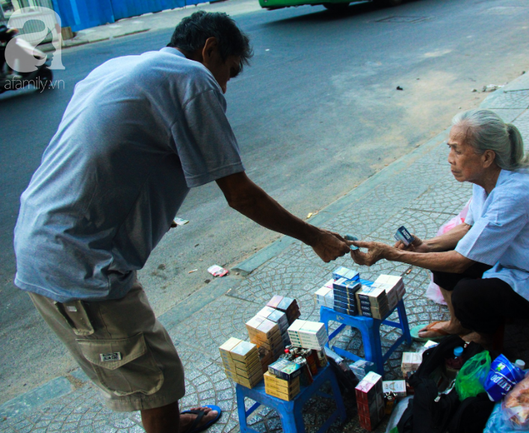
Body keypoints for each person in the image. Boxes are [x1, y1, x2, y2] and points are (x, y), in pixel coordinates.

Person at [13, 12, 348, 433]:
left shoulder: (119, 68)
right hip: (78, 266)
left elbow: (104, 154)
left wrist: (147, 211)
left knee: (149, 362)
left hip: (46, 239)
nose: (224, 86)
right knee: (157, 379)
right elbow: (239, 193)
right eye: (228, 72)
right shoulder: (193, 78)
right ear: (209, 49)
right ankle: (165, 422)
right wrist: (314, 236)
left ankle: (168, 421)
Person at [349, 109, 529, 347]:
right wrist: (426, 246)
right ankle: (457, 324)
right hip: (519, 261)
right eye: (450, 148)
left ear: (487, 157)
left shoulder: (514, 194)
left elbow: (460, 260)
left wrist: (394, 254)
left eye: (458, 150)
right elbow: (469, 228)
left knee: (467, 294)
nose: (450, 158)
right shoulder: (486, 179)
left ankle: (484, 339)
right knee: (439, 259)